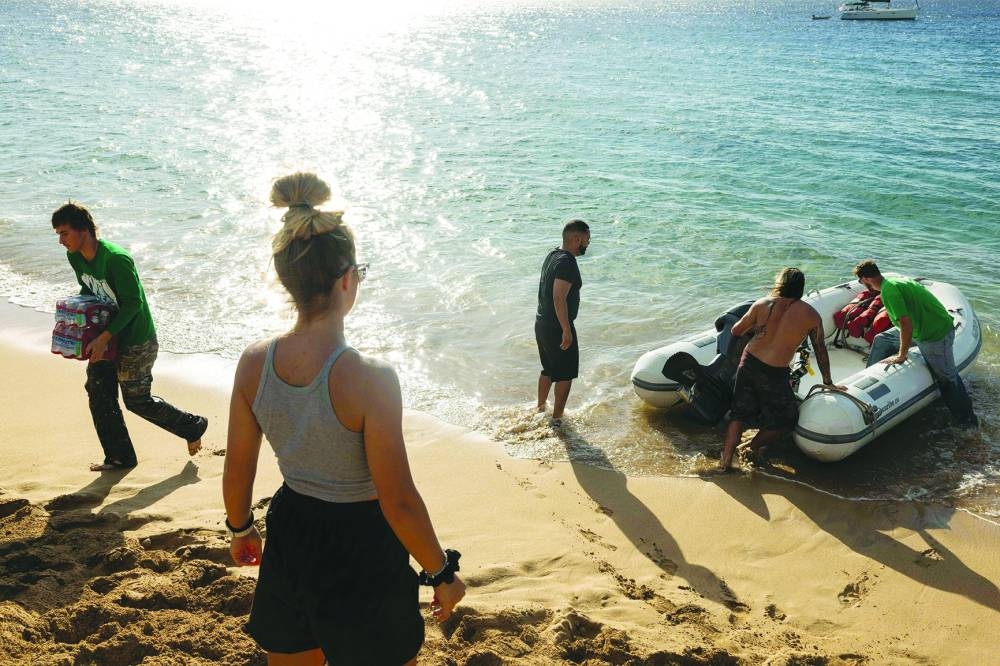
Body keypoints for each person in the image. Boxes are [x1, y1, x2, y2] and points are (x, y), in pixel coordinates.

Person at [223, 173, 465, 665]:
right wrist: (441, 572)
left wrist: (241, 528)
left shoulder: (254, 363)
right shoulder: (370, 378)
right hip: (363, 547)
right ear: (348, 279)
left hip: (291, 533)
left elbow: (237, 467)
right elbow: (397, 501)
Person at [52, 202, 207, 471]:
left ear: (84, 230)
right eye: (58, 234)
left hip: (136, 339)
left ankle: (192, 425)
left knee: (137, 401)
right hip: (106, 338)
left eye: (64, 233)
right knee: (99, 392)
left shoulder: (116, 259)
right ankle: (119, 457)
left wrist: (104, 337)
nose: (60, 241)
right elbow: (89, 290)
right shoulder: (75, 257)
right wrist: (80, 324)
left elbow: (133, 304)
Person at [719, 268, 841, 471]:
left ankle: (725, 461)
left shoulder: (762, 304)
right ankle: (749, 448)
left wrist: (757, 328)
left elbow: (736, 330)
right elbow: (820, 350)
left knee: (738, 414)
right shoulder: (811, 315)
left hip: (749, 362)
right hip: (774, 372)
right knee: (786, 420)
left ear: (780, 284)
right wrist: (828, 381)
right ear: (800, 288)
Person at [854, 260, 978, 429]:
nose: (861, 285)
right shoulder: (896, 282)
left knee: (948, 379)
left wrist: (901, 356)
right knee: (882, 340)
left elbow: (906, 324)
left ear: (866, 278)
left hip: (933, 335)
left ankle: (968, 422)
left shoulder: (890, 291)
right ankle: (865, 387)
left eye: (861, 281)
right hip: (922, 328)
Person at [534, 219, 591, 428]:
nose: (588, 244)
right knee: (565, 374)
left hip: (542, 322)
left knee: (548, 369)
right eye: (586, 239)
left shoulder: (552, 255)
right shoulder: (567, 262)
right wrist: (566, 329)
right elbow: (559, 297)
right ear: (576, 239)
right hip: (558, 326)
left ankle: (540, 409)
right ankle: (557, 420)